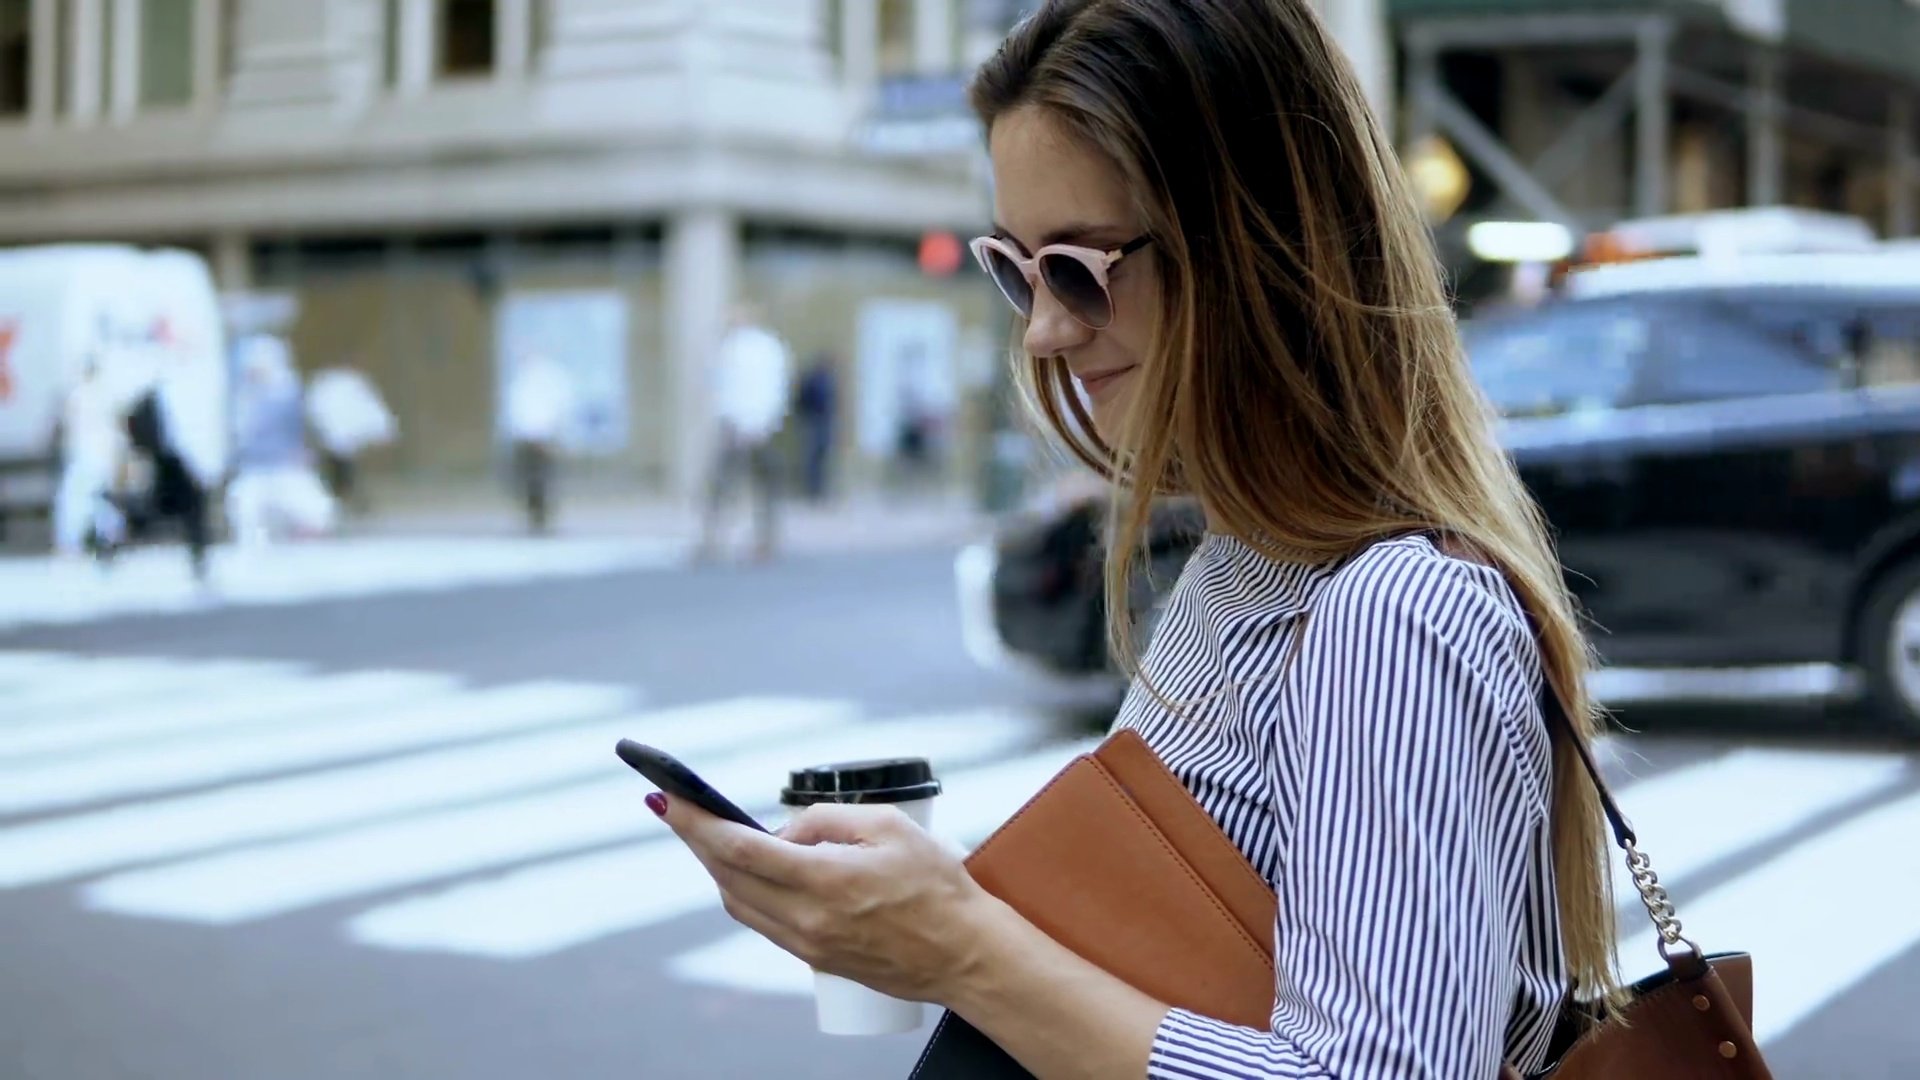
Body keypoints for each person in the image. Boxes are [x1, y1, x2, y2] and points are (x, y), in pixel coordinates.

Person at [648, 3, 1619, 1078]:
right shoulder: (1241, 563)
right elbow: (1198, 945)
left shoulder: (1393, 614)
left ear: (1255, 246)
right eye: (1017, 270)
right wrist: (929, 913)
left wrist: (967, 951)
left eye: (1080, 267)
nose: (1046, 328)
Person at [696, 304, 791, 562]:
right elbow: (723, 388)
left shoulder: (765, 349)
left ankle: (765, 539)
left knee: (764, 484)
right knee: (723, 483)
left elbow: (773, 388)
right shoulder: (730, 348)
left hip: (758, 425)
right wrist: (729, 420)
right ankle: (713, 538)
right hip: (736, 424)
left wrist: (763, 423)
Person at [227, 335, 335, 549]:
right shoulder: (240, 398)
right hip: (253, 471)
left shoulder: (288, 391)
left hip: (287, 468)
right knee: (244, 511)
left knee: (317, 513)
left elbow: (307, 426)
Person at [53, 358, 127, 559]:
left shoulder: (84, 394)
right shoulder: (101, 394)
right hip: (97, 455)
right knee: (90, 498)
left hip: (90, 455)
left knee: (78, 498)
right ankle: (108, 534)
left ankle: (74, 542)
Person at [306, 363, 396, 517]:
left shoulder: (344, 386)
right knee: (340, 470)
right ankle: (344, 501)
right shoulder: (336, 387)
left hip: (341, 439)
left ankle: (345, 500)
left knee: (343, 470)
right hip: (336, 439)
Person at [504, 352, 574, 534]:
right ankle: (534, 515)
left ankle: (541, 516)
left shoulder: (547, 379)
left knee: (542, 478)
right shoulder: (522, 380)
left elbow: (555, 405)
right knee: (529, 480)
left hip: (542, 435)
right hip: (527, 436)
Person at [793, 351, 838, 502]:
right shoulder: (811, 379)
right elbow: (801, 400)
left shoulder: (829, 380)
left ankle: (820, 489)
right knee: (811, 457)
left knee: (823, 457)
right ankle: (811, 489)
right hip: (812, 421)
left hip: (825, 422)